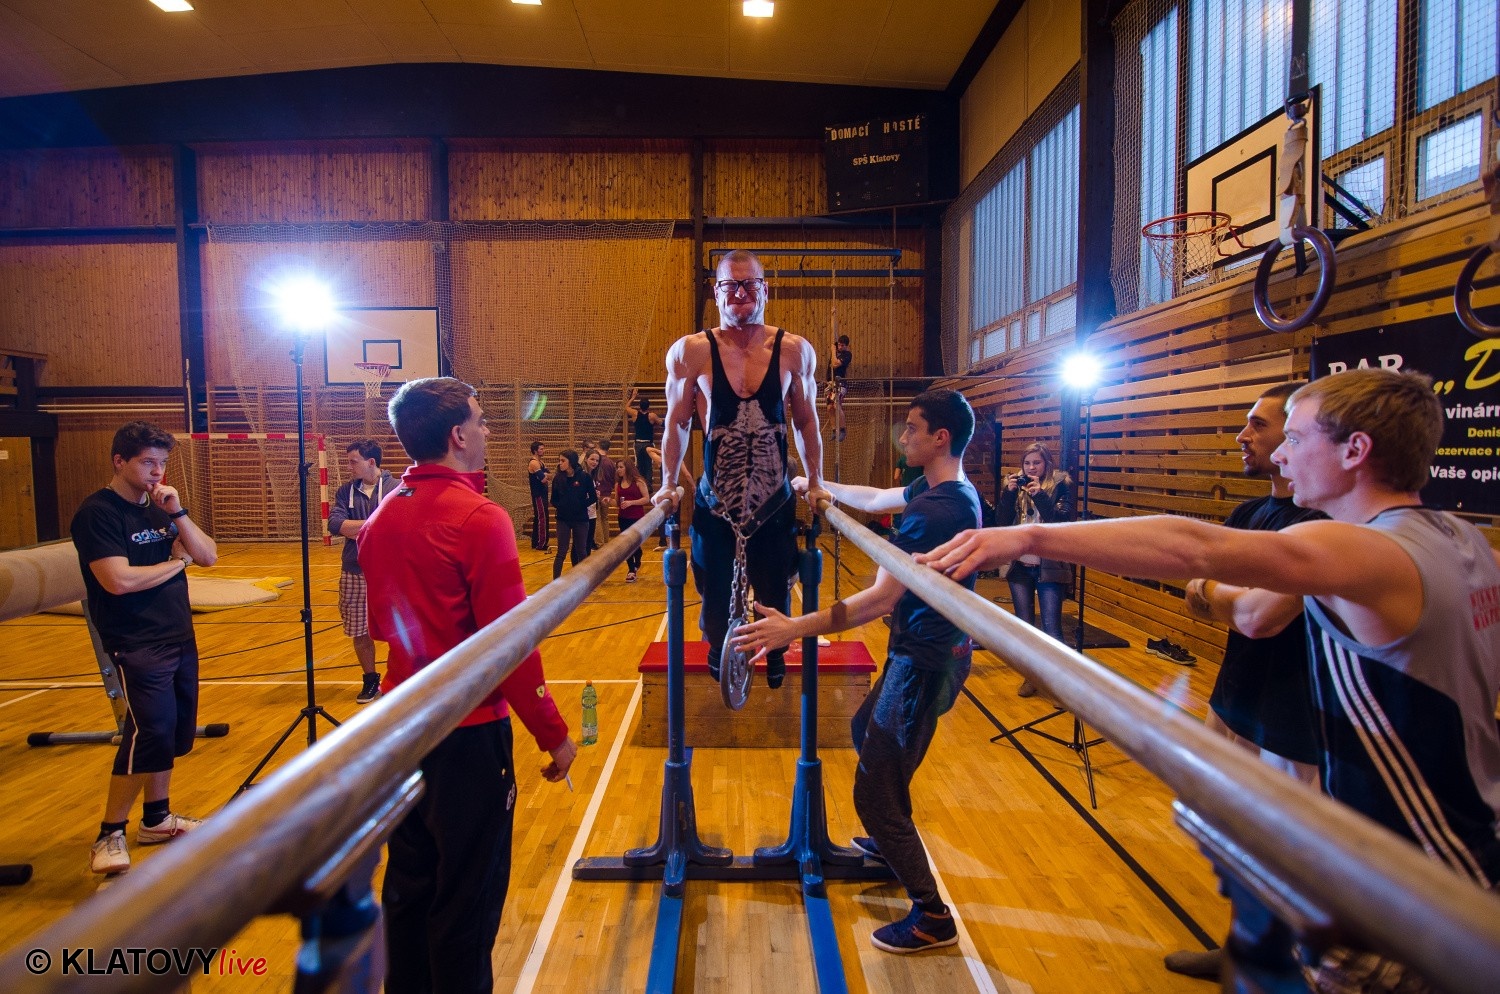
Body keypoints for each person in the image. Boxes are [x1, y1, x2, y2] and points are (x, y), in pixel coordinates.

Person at [919, 369, 1500, 992]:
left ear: (1355, 451)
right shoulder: (1460, 536)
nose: (1281, 455)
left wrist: (1029, 535)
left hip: (1410, 881)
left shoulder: (1370, 549)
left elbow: (1194, 548)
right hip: (1461, 844)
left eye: (1296, 439)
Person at [732, 388, 981, 953]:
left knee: (873, 793)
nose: (903, 437)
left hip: (924, 666)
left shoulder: (937, 513)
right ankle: (893, 841)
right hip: (921, 654)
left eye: (912, 429)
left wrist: (792, 629)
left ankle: (931, 916)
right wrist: (818, 487)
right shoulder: (940, 489)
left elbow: (879, 600)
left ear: (940, 438)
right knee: (863, 731)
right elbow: (874, 497)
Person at [358, 377, 576, 994]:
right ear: (458, 435)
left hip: (402, 727)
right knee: (465, 904)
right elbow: (511, 648)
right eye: (480, 421)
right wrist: (554, 734)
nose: (486, 430)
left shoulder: (382, 515)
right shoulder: (480, 519)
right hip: (466, 736)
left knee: (409, 889)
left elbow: (379, 626)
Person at [1162, 382, 1325, 980]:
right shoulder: (1249, 515)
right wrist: (1221, 593)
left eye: (1259, 424)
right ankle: (1245, 949)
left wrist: (1217, 592)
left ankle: (1286, 967)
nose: (1243, 435)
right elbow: (1194, 594)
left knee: (1287, 852)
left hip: (1294, 718)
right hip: (1234, 697)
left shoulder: (1321, 523)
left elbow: (1260, 615)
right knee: (1232, 838)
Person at [655, 248, 829, 690]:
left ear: (764, 289)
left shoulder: (793, 350)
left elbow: (806, 421)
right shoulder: (692, 351)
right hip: (716, 506)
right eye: (730, 285)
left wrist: (816, 482)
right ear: (716, 292)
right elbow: (677, 422)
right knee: (714, 609)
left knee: (775, 601)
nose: (739, 292)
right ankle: (719, 651)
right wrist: (668, 485)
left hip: (774, 506)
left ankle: (775, 656)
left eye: (749, 283)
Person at [72, 421, 218, 875]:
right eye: (147, 462)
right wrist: (176, 563)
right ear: (120, 462)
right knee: (149, 731)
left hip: (177, 634)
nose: (157, 472)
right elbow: (117, 581)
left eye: (162, 462)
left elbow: (208, 556)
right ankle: (110, 832)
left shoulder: (160, 509)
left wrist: (178, 514)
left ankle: (156, 818)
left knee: (171, 733)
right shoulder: (98, 513)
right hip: (135, 639)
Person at [995, 442, 1074, 698]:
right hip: (1021, 566)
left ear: (1046, 464)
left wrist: (1040, 495)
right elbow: (1001, 522)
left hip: (1049, 566)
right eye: (1027, 463)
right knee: (1025, 628)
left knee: (1052, 629)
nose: (1031, 468)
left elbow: (1061, 522)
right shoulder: (1016, 487)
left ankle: (1060, 685)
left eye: (1036, 463)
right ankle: (1031, 677)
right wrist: (1008, 494)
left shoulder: (1061, 485)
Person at [327, 439, 398, 704]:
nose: (349, 467)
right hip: (354, 570)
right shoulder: (345, 491)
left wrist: (355, 527)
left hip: (390, 571)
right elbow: (335, 524)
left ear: (371, 462)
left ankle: (398, 678)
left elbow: (397, 525)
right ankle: (370, 679)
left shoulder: (396, 488)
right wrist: (376, 524)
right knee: (359, 629)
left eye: (353, 461)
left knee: (398, 628)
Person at [551, 449, 596, 579]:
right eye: (559, 460)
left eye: (563, 460)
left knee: (581, 550)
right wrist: (562, 506)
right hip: (563, 519)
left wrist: (580, 505)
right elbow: (553, 499)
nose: (560, 463)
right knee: (561, 551)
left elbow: (593, 497)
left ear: (571, 461)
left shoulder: (584, 477)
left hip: (580, 519)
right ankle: (555, 581)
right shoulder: (558, 478)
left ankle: (585, 580)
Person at [614, 456, 650, 582]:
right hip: (623, 517)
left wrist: (631, 502)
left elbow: (646, 499)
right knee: (626, 545)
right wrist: (607, 501)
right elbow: (617, 503)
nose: (618, 470)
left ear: (628, 468)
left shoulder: (639, 482)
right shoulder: (618, 484)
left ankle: (638, 558)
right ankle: (631, 570)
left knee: (635, 544)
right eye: (617, 467)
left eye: (621, 467)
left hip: (637, 517)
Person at [626, 390, 660, 490]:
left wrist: (633, 397)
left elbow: (626, 407)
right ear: (648, 406)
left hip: (638, 443)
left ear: (639, 406)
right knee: (648, 465)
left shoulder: (635, 414)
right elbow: (661, 423)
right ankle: (648, 487)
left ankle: (640, 486)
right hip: (648, 444)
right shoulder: (652, 416)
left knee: (639, 465)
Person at [526, 440, 550, 552]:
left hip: (542, 494)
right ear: (535, 451)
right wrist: (545, 476)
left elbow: (549, 475)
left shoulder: (541, 462)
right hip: (538, 494)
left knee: (540, 517)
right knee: (542, 517)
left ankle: (535, 541)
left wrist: (545, 475)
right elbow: (544, 479)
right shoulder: (534, 463)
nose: (543, 451)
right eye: (541, 449)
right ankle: (541, 543)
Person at [594, 438, 618, 544]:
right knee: (605, 518)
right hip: (607, 493)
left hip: (596, 492)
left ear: (598, 445)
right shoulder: (611, 463)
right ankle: (606, 541)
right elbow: (614, 480)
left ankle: (599, 543)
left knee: (597, 518)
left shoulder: (596, 460)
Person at [828, 333, 851, 441]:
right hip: (830, 383)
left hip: (840, 383)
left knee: (836, 405)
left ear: (846, 346)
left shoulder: (847, 355)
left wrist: (833, 351)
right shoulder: (836, 351)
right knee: (829, 407)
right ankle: (834, 430)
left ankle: (842, 430)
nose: (840, 347)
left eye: (843, 345)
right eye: (839, 345)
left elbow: (835, 364)